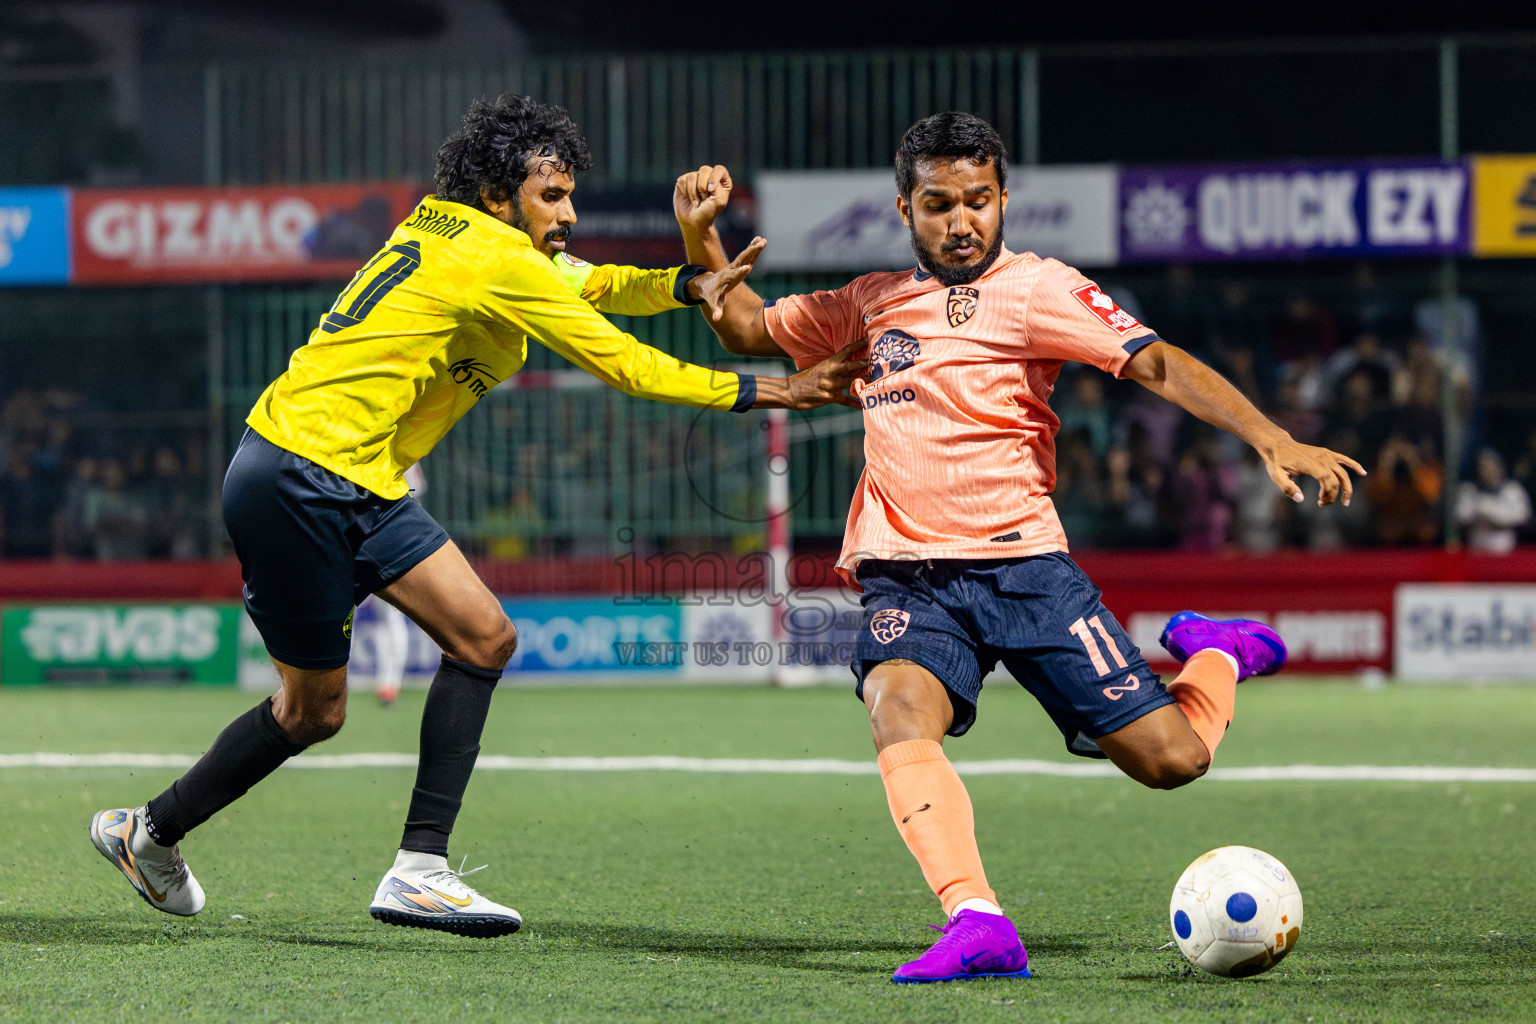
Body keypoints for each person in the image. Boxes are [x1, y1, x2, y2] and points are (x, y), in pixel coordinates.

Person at [90, 94, 864, 936]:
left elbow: (595, 283)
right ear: (499, 195)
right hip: (299, 475)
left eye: (570, 196)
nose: (568, 214)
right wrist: (782, 389)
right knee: (313, 710)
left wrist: (686, 282)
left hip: (351, 477)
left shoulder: (457, 233)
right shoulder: (496, 259)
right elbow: (628, 367)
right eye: (551, 196)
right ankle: (154, 830)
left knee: (480, 639)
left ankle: (409, 868)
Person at [674, 112, 1362, 984]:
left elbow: (1156, 364)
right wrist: (700, 237)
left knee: (1173, 762)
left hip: (1026, 569)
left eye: (978, 201)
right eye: (939, 205)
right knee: (895, 706)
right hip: (907, 573)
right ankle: (978, 920)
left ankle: (1217, 653)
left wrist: (1271, 437)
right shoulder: (867, 301)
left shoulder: (1041, 289)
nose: (961, 222)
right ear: (905, 209)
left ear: (1003, 200)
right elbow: (744, 328)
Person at [1456, 448, 1531, 555]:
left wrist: (1496, 520)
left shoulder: (1513, 490)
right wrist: (1480, 516)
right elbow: (1461, 517)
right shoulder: (1468, 490)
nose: (1486, 471)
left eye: (1490, 466)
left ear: (1499, 467)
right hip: (1476, 552)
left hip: (1507, 552)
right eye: (1482, 467)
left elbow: (1523, 517)